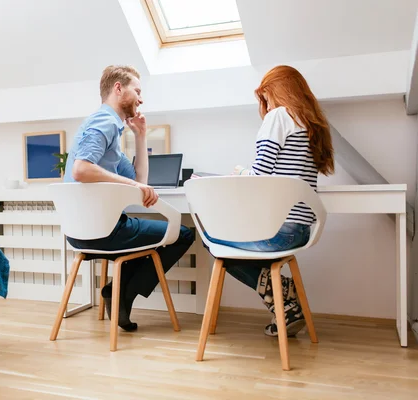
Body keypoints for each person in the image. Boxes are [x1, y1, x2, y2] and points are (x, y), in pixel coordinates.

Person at [206, 65, 334, 337]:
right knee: (230, 243)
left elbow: (260, 175)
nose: (264, 105)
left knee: (212, 240)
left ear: (272, 91)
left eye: (264, 97)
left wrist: (240, 172)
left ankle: (284, 296)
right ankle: (284, 304)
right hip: (300, 230)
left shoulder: (278, 117)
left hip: (278, 230)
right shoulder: (312, 124)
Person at [64, 65, 194, 331]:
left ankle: (119, 292)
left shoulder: (111, 135)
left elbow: (140, 182)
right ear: (118, 88)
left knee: (145, 238)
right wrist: (131, 183)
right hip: (103, 231)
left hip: (80, 232)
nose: (141, 98)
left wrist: (140, 135)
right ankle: (122, 293)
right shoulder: (106, 121)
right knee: (182, 234)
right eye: (138, 90)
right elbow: (81, 169)